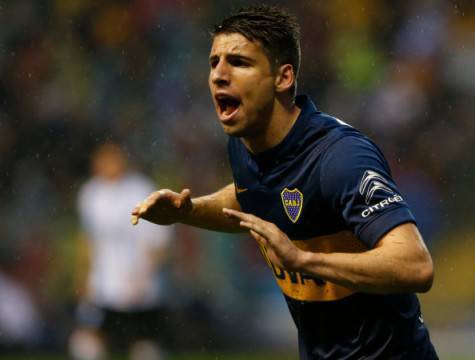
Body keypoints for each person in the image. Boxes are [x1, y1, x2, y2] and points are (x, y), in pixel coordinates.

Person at [132, 5, 438, 359]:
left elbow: (415, 265)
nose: (218, 74)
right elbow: (251, 198)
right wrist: (188, 211)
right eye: (214, 62)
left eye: (239, 62)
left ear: (283, 77)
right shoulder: (245, 146)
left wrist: (303, 260)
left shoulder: (340, 159)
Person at [70, 142, 172, 360]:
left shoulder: (141, 189)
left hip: (138, 281)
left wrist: (146, 274)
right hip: (102, 281)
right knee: (87, 338)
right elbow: (88, 238)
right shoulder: (91, 193)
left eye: (112, 159)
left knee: (144, 342)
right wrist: (84, 274)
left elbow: (158, 240)